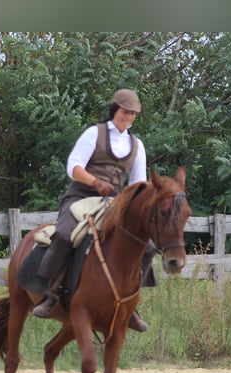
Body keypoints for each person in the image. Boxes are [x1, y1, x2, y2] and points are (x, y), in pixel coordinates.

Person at [31, 88, 155, 332]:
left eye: (132, 114)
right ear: (115, 110)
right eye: (124, 112)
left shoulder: (137, 145)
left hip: (115, 202)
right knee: (66, 235)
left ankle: (130, 304)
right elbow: (73, 166)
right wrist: (96, 182)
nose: (128, 118)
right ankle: (51, 294)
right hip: (82, 196)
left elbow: (138, 183)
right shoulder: (94, 133)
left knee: (148, 247)